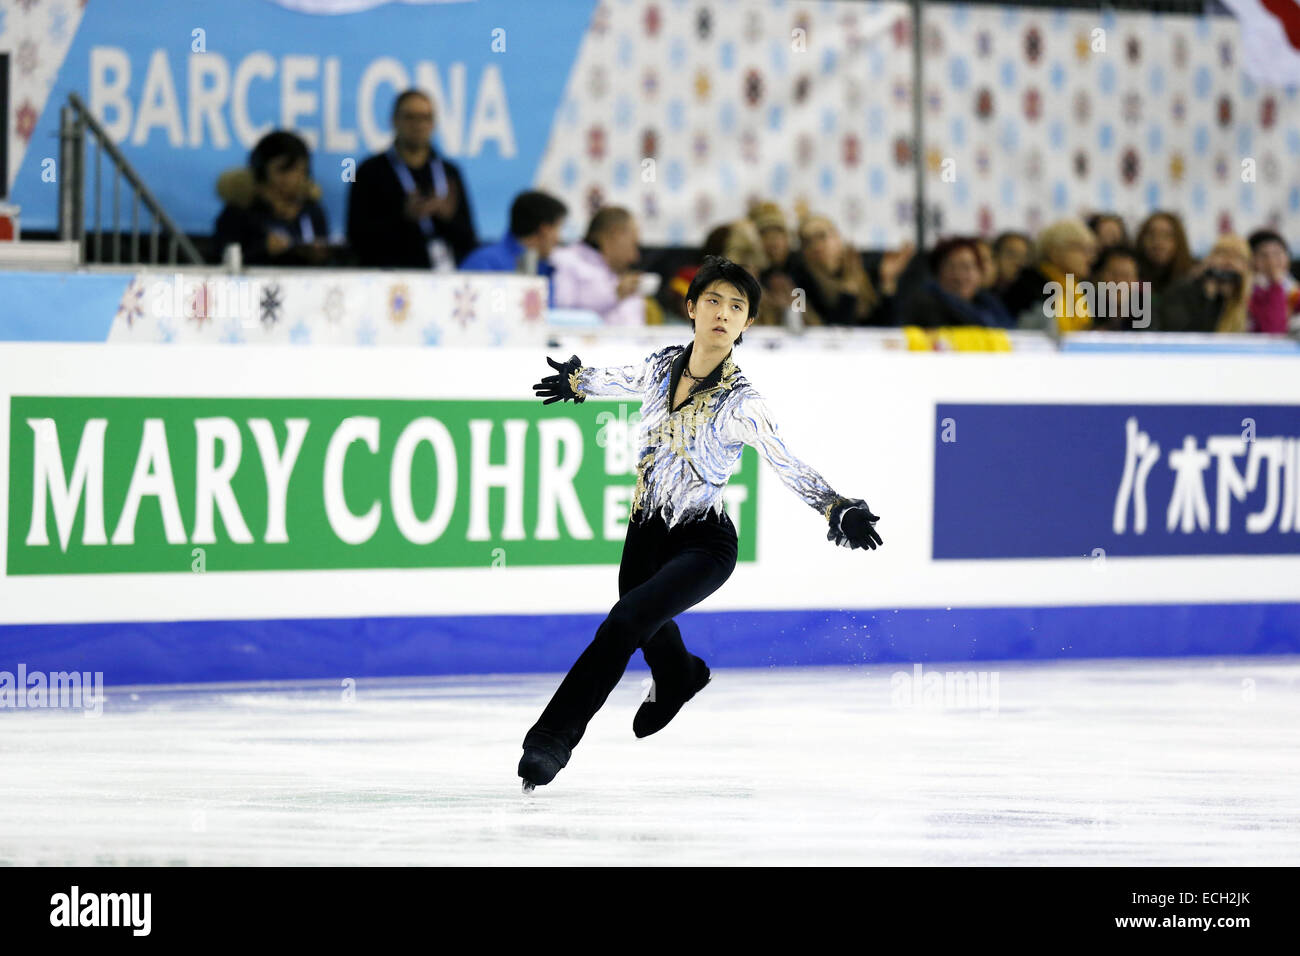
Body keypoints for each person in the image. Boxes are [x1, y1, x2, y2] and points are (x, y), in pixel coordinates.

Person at [518, 255, 883, 790]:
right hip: (645, 533)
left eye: (737, 306)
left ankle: (550, 742)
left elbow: (786, 462)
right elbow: (616, 378)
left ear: (747, 324)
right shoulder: (662, 364)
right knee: (643, 621)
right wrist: (578, 381)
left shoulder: (744, 403)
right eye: (713, 300)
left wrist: (836, 506)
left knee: (624, 622)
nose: (723, 313)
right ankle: (679, 674)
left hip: (705, 543)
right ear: (691, 307)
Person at [345, 89, 477, 269]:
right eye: (410, 117)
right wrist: (404, 217)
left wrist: (447, 218)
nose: (418, 124)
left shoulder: (449, 172)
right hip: (389, 275)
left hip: (442, 277)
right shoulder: (369, 171)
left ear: (433, 124)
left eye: (426, 117)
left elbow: (469, 238)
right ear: (394, 120)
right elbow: (356, 236)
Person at [213, 130, 330, 266]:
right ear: (261, 171)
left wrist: (317, 254)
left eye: (301, 170)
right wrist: (263, 250)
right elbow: (220, 261)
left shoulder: (311, 211)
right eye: (284, 170)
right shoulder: (238, 213)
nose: (294, 178)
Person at [789, 213, 911, 326]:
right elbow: (829, 331)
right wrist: (848, 291)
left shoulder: (865, 268)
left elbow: (888, 326)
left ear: (837, 238)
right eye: (808, 242)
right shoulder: (801, 281)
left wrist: (887, 282)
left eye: (822, 237)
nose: (816, 246)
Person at [460, 190, 567, 305]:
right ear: (544, 229)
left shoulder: (544, 269)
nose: (558, 239)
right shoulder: (483, 264)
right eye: (558, 228)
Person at [550, 206, 648, 325]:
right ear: (616, 234)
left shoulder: (620, 276)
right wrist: (615, 295)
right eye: (634, 244)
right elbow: (561, 316)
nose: (635, 257)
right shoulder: (565, 261)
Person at [1001, 218, 1098, 332]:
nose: (1090, 258)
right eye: (1080, 249)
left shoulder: (1080, 290)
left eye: (1091, 250)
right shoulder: (1028, 289)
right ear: (1054, 251)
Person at [901, 236, 1014, 327]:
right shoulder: (924, 306)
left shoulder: (991, 305)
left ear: (980, 273)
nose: (959, 276)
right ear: (937, 272)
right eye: (952, 267)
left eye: (967, 267)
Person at [1155, 234, 1253, 334]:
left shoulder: (1251, 298)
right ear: (1208, 259)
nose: (1229, 261)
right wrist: (1208, 299)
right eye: (1223, 253)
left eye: (1237, 257)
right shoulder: (1182, 290)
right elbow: (1181, 335)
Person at [1133, 211, 1195, 306]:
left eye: (1167, 236)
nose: (1158, 242)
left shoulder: (1192, 279)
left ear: (1179, 241)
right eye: (1151, 235)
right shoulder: (1131, 281)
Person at [1246, 229, 1300, 334]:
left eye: (1277, 253)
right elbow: (1274, 332)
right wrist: (1276, 285)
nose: (1271, 261)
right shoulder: (1248, 294)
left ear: (1287, 257)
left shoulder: (1295, 291)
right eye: (1263, 255)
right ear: (1253, 261)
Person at [1089, 244, 1144, 331]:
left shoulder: (1147, 310)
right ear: (1099, 277)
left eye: (1125, 276)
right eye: (1113, 274)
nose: (1118, 281)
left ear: (1137, 281)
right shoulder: (1085, 307)